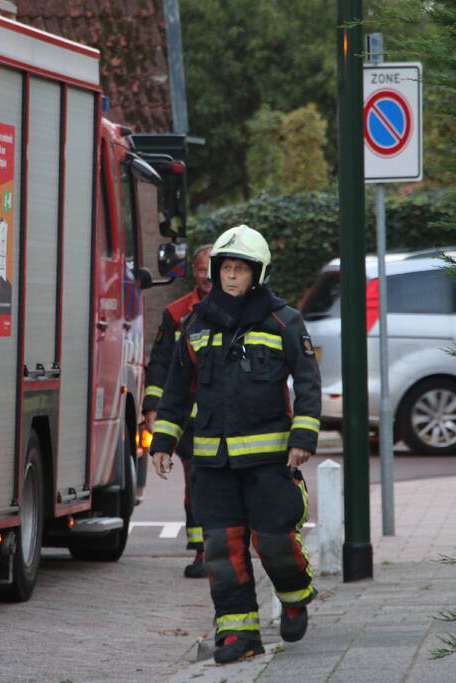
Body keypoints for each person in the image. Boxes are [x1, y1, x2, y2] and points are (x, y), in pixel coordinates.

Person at [148, 224, 322, 664]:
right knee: (221, 551)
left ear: (257, 273)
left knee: (277, 544)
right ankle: (237, 633)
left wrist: (303, 437)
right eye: (225, 268)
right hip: (212, 463)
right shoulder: (195, 324)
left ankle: (294, 596)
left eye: (239, 270)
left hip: (269, 461)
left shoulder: (284, 321)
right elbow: (174, 390)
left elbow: (307, 381)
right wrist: (163, 442)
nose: (229, 277)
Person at [143, 243, 214, 578]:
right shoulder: (177, 313)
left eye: (214, 268)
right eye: (202, 270)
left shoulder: (241, 310)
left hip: (229, 418)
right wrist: (153, 409)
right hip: (191, 420)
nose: (208, 276)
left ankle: (225, 547)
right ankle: (202, 551)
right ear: (193, 272)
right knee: (197, 484)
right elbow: (161, 365)